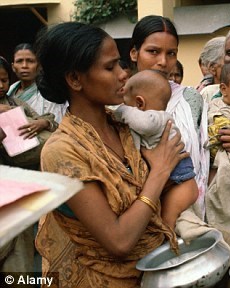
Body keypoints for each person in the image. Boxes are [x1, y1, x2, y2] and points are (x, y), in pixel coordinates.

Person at [35, 22, 185, 287]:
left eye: (120, 63)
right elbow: (118, 241)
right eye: (109, 67)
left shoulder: (125, 124)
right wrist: (159, 173)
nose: (123, 74)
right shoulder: (63, 150)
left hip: (154, 272)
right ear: (74, 79)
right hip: (100, 279)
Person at [129, 15, 208, 219]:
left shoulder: (190, 99)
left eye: (171, 53)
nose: (163, 62)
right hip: (130, 210)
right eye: (153, 51)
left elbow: (202, 155)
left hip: (185, 206)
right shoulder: (117, 100)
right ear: (134, 53)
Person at [114, 69, 198, 229]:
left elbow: (143, 123)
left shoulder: (158, 119)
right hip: (174, 181)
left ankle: (173, 249)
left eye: (126, 103)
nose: (124, 107)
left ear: (139, 103)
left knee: (167, 224)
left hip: (182, 181)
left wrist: (122, 110)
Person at [0, 55, 58, 170]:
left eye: (4, 80)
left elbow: (52, 123)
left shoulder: (16, 103)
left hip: (32, 164)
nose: (1, 86)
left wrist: (43, 123)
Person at [8, 43, 67, 122]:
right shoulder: (9, 91)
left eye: (30, 61)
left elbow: (56, 122)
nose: (24, 65)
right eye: (19, 61)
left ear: (39, 66)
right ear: (13, 67)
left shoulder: (48, 94)